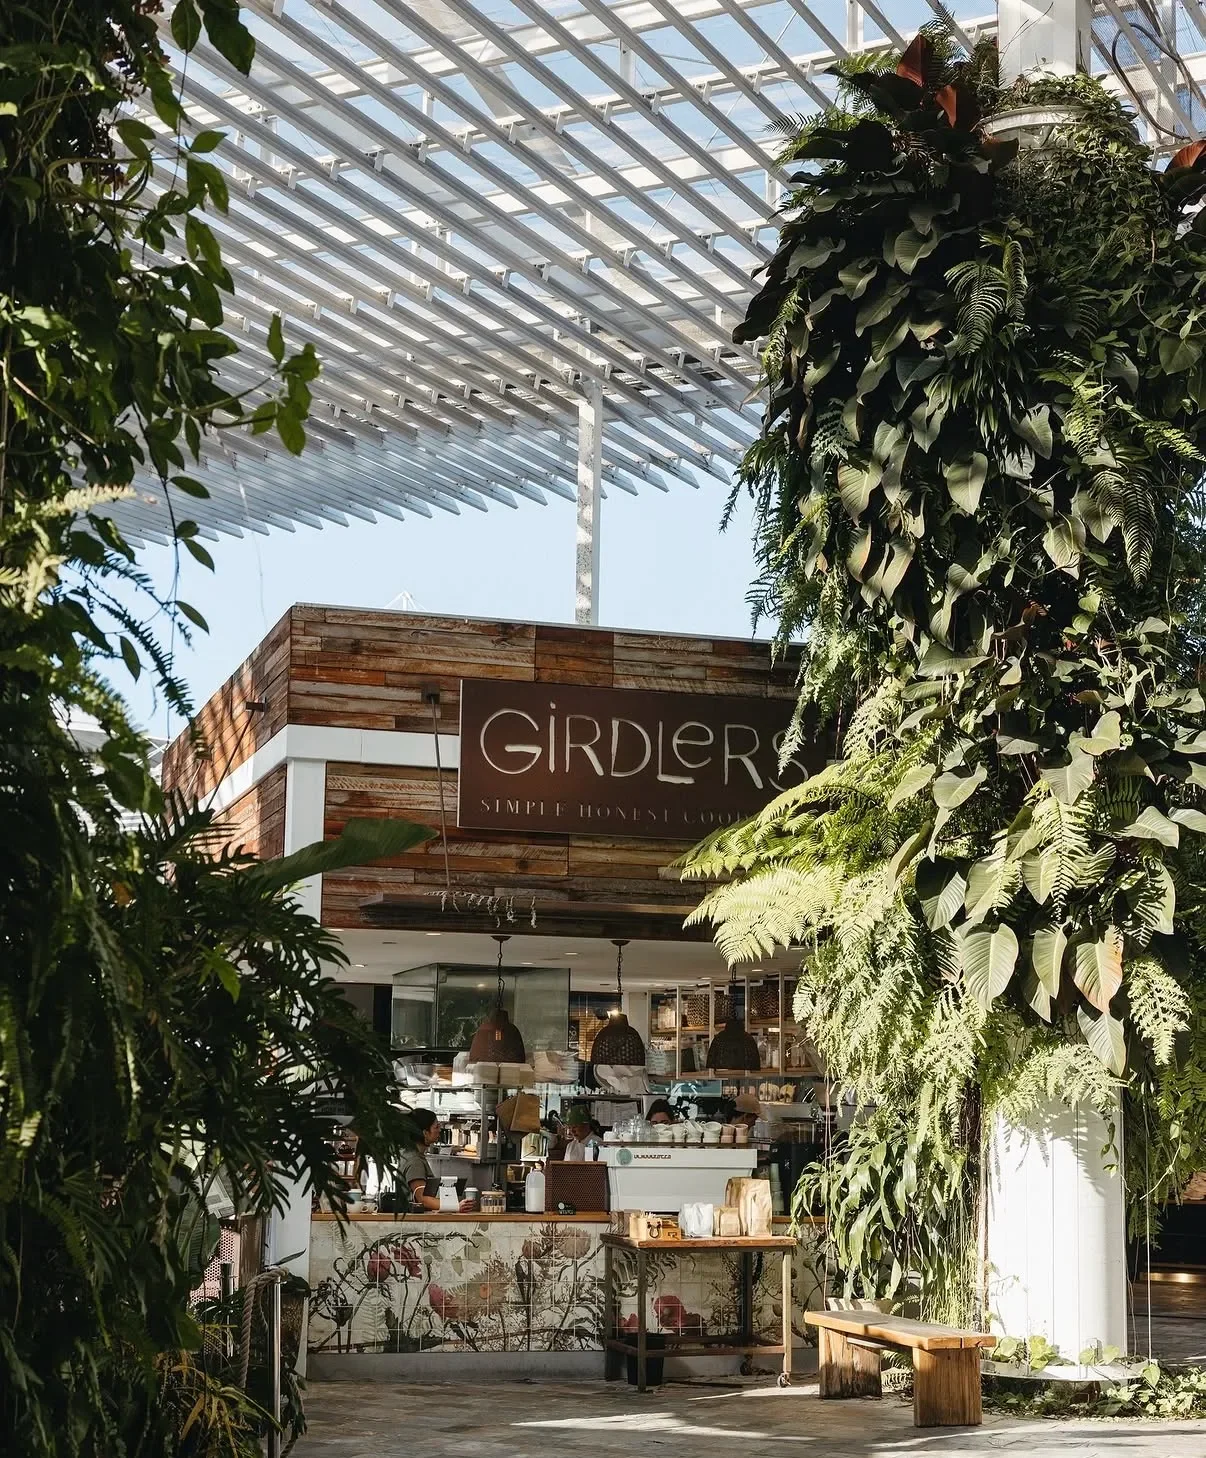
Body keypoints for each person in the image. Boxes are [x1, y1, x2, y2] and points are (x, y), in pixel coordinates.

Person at [397, 1108, 442, 1211]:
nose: (439, 1130)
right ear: (425, 1133)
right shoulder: (415, 1161)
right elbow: (422, 1199)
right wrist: (455, 1206)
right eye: (436, 1126)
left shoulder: (410, 1154)